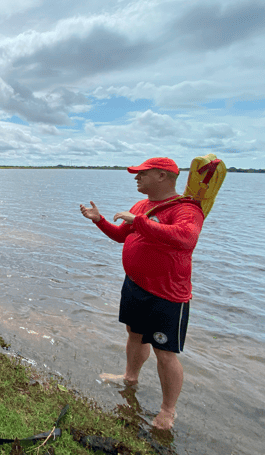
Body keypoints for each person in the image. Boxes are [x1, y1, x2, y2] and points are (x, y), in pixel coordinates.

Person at [79, 157, 204, 430]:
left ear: (162, 176)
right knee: (134, 335)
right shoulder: (142, 206)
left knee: (165, 352)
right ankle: (130, 378)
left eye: (141, 174)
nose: (136, 178)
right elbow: (122, 235)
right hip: (136, 285)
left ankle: (167, 412)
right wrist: (99, 220)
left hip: (167, 294)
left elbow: (185, 238)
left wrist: (139, 221)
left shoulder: (186, 209)